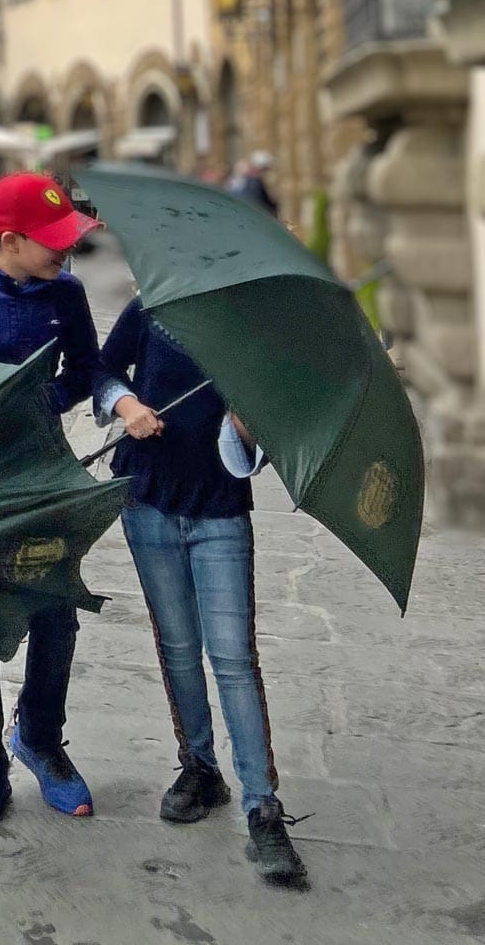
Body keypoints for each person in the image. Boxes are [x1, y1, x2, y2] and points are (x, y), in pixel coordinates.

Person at [0, 172, 154, 833]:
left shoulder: (67, 292)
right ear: (10, 239)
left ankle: (42, 739)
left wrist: (43, 403)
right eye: (51, 240)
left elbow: (84, 367)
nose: (66, 250)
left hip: (45, 471)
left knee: (56, 609)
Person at [95, 296, 309, 889]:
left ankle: (262, 808)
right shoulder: (152, 308)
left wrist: (247, 425)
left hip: (219, 511)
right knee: (179, 648)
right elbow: (102, 369)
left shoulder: (255, 327)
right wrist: (128, 403)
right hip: (146, 500)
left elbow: (268, 432)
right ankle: (200, 768)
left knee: (235, 660)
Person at [231, 151, 278, 217]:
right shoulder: (254, 182)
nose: (265, 173)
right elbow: (257, 201)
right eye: (265, 169)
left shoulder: (247, 180)